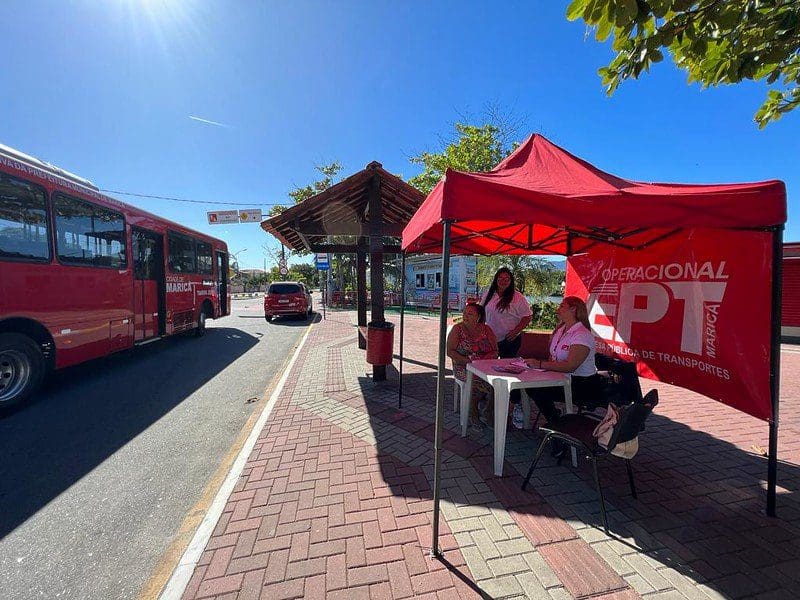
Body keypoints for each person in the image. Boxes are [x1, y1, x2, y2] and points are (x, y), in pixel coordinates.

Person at [524, 296, 603, 428]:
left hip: (581, 384)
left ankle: (556, 423)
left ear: (573, 309)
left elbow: (570, 366)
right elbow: (553, 357)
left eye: (562, 306)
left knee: (537, 390)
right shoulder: (561, 330)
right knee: (529, 384)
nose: (558, 308)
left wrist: (540, 365)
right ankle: (555, 419)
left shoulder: (582, 335)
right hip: (561, 378)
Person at [446, 302, 498, 433]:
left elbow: (495, 351)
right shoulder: (457, 329)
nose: (465, 316)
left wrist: (484, 361)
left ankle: (488, 411)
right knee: (473, 383)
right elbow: (450, 352)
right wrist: (468, 363)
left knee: (498, 383)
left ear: (479, 316)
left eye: (470, 314)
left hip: (484, 366)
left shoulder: (487, 329)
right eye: (464, 313)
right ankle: (473, 415)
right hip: (463, 365)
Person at [481, 268, 532, 359]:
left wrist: (515, 332)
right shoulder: (488, 294)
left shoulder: (518, 297)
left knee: (506, 367)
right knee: (488, 365)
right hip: (490, 338)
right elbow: (482, 313)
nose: (503, 281)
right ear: (496, 280)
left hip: (509, 340)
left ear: (511, 281)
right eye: (500, 278)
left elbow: (527, 317)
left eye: (506, 279)